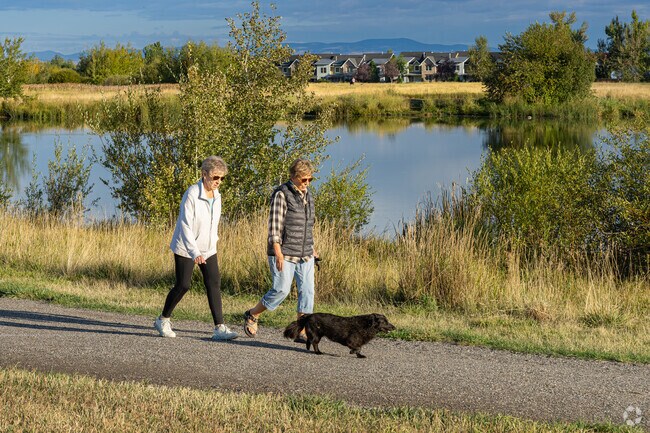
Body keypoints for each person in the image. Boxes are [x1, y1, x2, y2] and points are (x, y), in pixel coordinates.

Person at [154, 156, 238, 340]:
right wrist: (195, 252)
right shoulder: (192, 193)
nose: (219, 182)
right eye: (216, 177)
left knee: (214, 283)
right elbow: (185, 225)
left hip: (208, 248)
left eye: (222, 178)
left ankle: (220, 328)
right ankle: (163, 319)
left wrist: (212, 242)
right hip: (186, 246)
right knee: (183, 285)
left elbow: (213, 224)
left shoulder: (217, 196)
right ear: (204, 174)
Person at [243, 158, 318, 342]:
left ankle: (301, 330)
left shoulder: (308, 196)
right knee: (281, 290)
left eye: (310, 180)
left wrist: (312, 249)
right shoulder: (281, 195)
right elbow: (274, 228)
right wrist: (277, 252)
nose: (307, 183)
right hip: (284, 252)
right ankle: (253, 314)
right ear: (293, 177)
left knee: (307, 291)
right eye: (303, 179)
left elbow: (307, 226)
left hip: (305, 253)